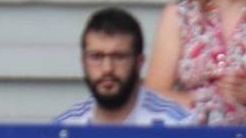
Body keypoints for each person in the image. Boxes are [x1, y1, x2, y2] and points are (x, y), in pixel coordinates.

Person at [56, 7, 191, 126]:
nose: (107, 68)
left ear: (139, 63)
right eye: (97, 57)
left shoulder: (176, 125)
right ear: (83, 62)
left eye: (119, 57)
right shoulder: (66, 129)